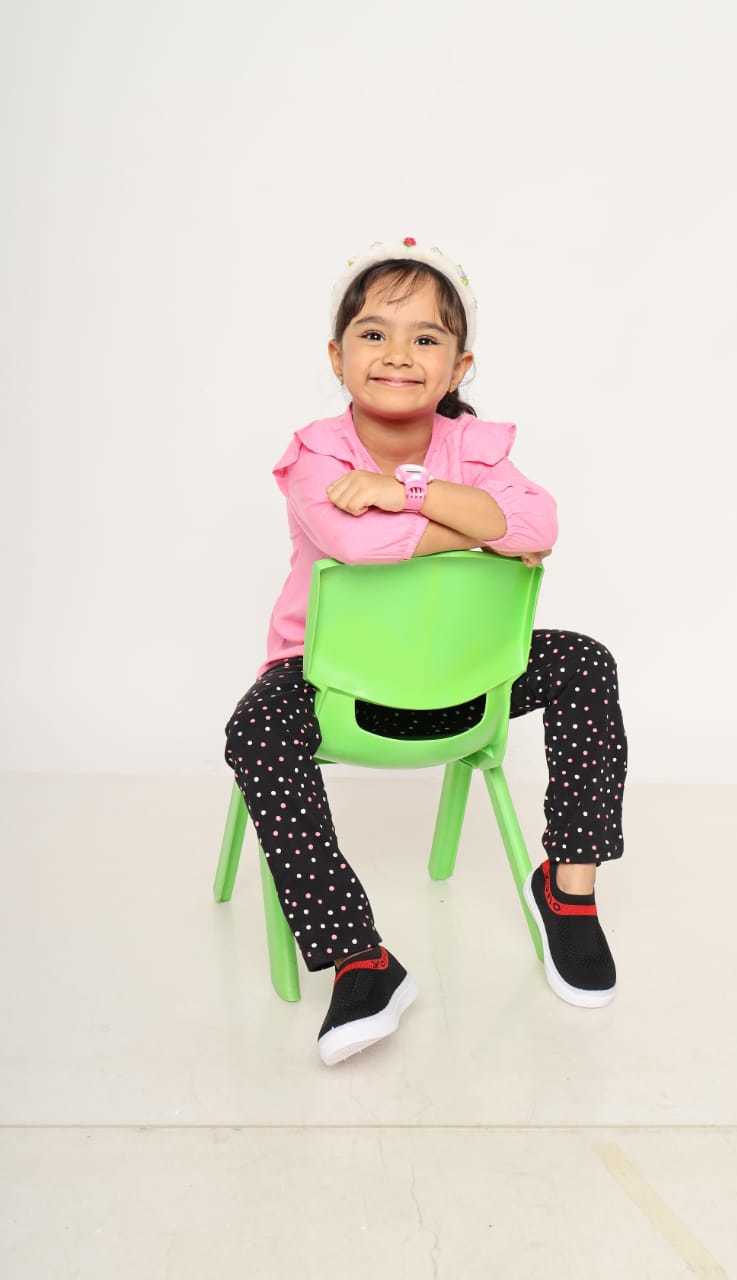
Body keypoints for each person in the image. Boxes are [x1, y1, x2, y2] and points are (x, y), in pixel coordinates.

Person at [223, 236, 628, 1066]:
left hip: (463, 683)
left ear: (457, 367)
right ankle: (360, 959)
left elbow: (541, 525)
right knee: (255, 730)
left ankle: (569, 888)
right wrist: (480, 529)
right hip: (330, 681)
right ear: (336, 356)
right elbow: (352, 544)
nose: (398, 354)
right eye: (373, 334)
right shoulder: (317, 452)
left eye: (426, 338)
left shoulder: (472, 448)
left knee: (585, 661)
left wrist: (406, 489)